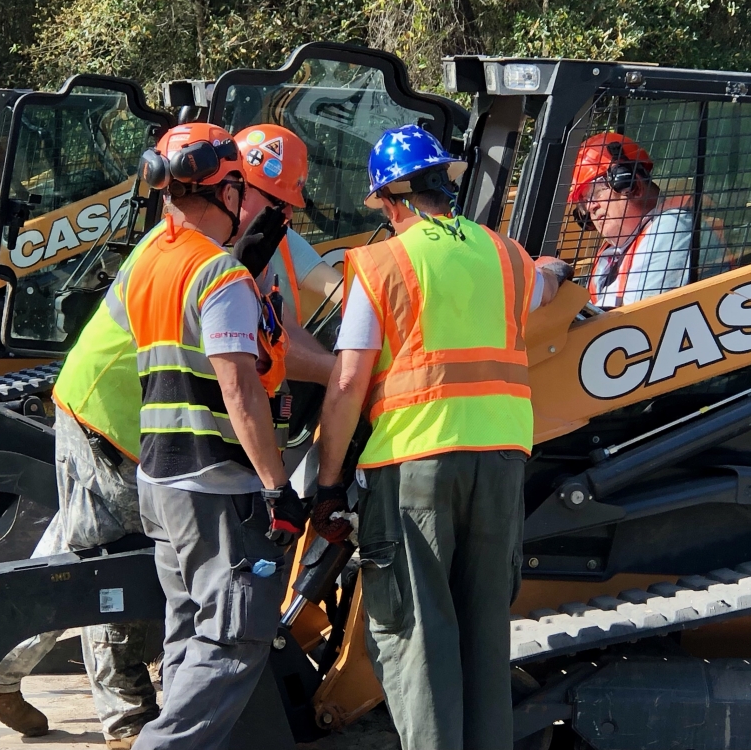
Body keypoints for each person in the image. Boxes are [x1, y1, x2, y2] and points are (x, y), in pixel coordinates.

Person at [309, 123, 568, 750]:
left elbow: (347, 384)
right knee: (484, 633)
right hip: (503, 463)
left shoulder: (381, 264)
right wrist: (556, 266)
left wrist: (326, 481)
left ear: (392, 197)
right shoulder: (505, 255)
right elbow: (544, 283)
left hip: (416, 467)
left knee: (419, 635)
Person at [120, 122, 306, 750]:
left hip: (159, 479)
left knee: (189, 627)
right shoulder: (222, 277)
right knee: (235, 636)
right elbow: (241, 391)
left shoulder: (147, 262)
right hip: (214, 483)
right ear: (227, 189)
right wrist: (279, 488)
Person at [0, 224, 173, 747]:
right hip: (116, 425)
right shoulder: (201, 251)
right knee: (117, 556)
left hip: (107, 412)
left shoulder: (218, 239)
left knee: (73, 543)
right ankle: (127, 718)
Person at [233, 123, 339, 386]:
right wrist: (345, 375)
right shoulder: (202, 250)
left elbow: (339, 289)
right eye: (279, 202)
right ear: (240, 189)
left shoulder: (273, 236)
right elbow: (255, 345)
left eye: (290, 204)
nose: (289, 215)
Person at [568, 131, 722, 308]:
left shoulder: (672, 227)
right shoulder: (612, 254)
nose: (590, 207)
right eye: (584, 201)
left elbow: (637, 320)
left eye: (597, 191)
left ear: (633, 185)